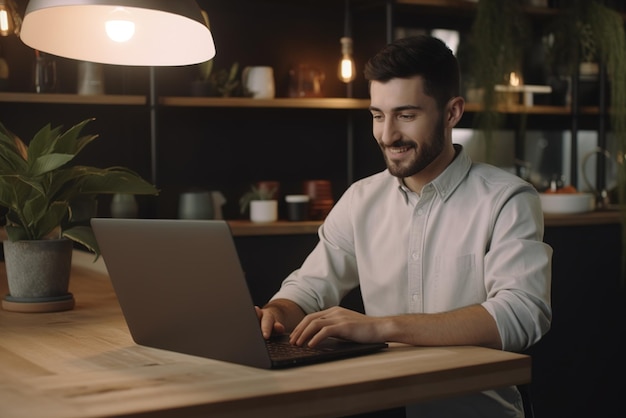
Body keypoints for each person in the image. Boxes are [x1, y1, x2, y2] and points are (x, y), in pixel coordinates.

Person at [256, 35, 552, 418]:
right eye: (378, 115)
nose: (387, 135)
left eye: (406, 115)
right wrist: (276, 314)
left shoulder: (507, 198)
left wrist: (381, 327)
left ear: (452, 112)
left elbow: (522, 313)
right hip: (377, 409)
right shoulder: (360, 199)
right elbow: (308, 290)